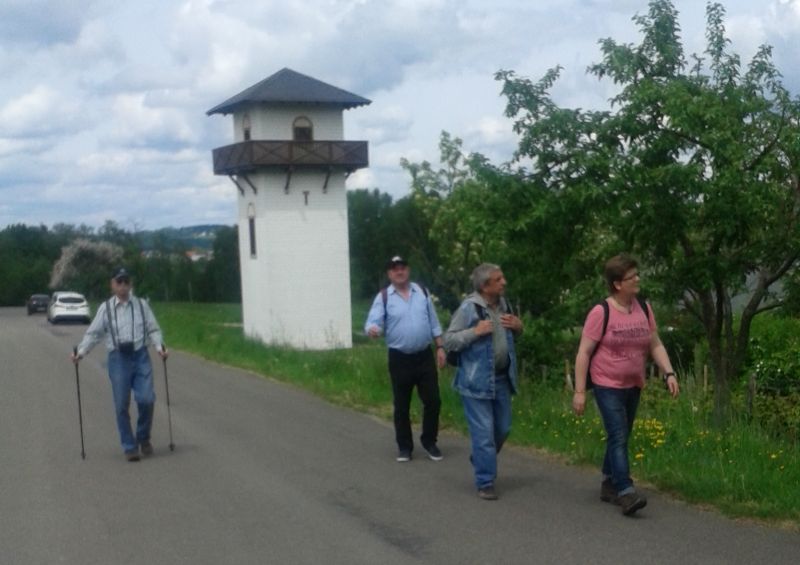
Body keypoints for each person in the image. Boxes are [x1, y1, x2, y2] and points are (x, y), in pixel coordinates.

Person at [572, 254, 680, 516]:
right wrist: (579, 392)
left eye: (636, 274)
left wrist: (669, 373)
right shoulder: (602, 312)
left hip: (633, 383)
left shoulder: (643, 308)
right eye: (632, 276)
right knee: (618, 436)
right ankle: (625, 491)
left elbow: (655, 343)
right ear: (618, 284)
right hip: (606, 383)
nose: (638, 279)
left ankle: (608, 483)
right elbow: (584, 352)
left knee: (621, 435)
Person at [443, 263, 524, 500]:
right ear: (485, 286)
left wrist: (519, 327)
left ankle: (481, 457)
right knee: (484, 435)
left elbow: (510, 337)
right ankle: (485, 481)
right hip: (475, 382)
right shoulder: (469, 308)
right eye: (498, 280)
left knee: (503, 428)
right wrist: (474, 332)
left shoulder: (504, 305)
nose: (504, 282)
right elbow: (448, 340)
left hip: (501, 379)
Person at [71, 267, 168, 462]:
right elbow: (94, 333)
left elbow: (153, 328)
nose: (123, 286)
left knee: (147, 399)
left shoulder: (141, 305)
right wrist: (81, 352)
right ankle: (129, 446)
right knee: (121, 405)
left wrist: (159, 347)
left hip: (140, 355)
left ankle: (143, 437)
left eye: (126, 282)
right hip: (118, 359)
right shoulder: (105, 308)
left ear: (130, 284)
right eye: (119, 282)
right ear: (112, 284)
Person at [364, 255, 446, 462]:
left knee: (433, 401)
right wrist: (372, 330)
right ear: (389, 274)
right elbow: (373, 322)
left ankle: (429, 441)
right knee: (402, 405)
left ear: (408, 270)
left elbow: (434, 322)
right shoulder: (384, 297)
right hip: (400, 358)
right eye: (394, 269)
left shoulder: (422, 292)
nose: (399, 271)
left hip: (424, 356)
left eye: (402, 267)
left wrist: (440, 347)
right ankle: (404, 447)